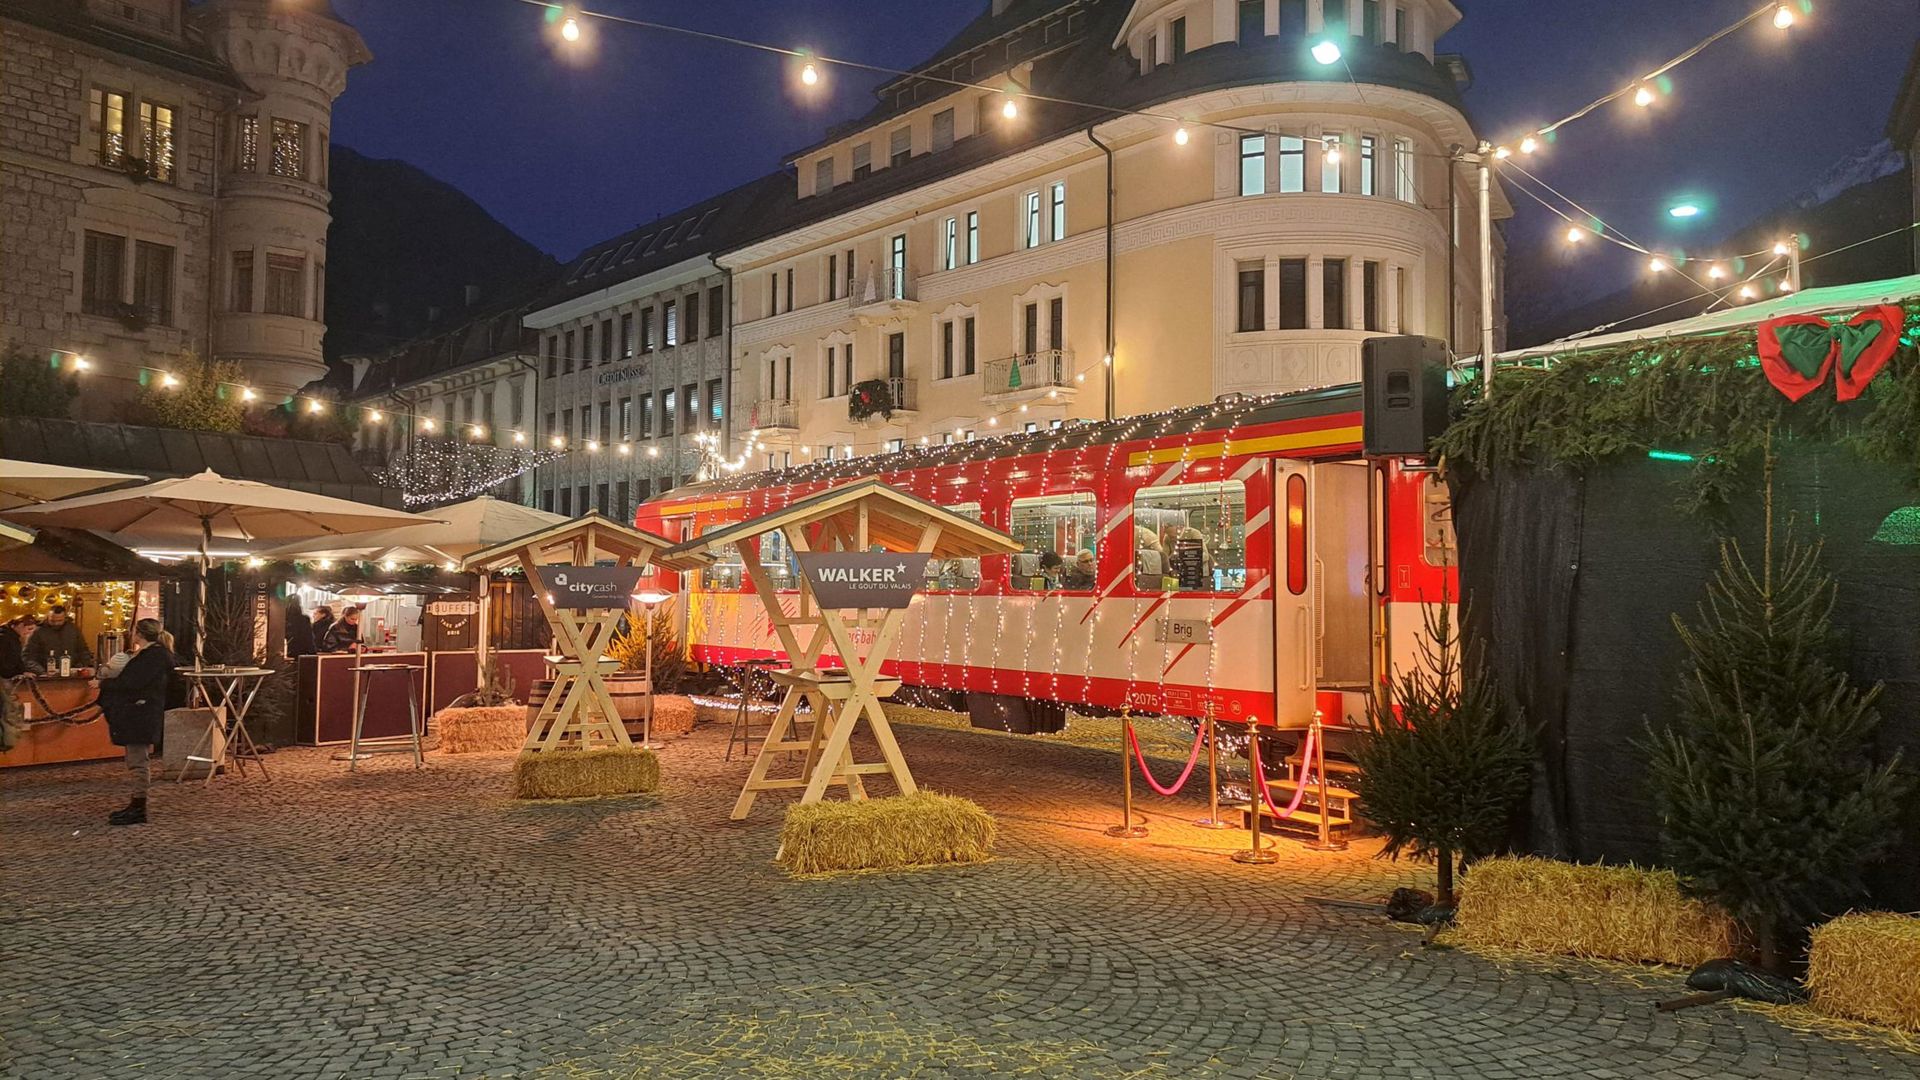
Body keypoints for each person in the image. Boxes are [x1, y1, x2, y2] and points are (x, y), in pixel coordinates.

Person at [96, 618, 176, 826]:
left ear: (139, 633)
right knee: (136, 759)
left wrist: (103, 684)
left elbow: (132, 683)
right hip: (141, 711)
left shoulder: (151, 657)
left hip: (140, 713)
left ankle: (139, 806)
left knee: (138, 761)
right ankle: (136, 804)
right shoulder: (154, 655)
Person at [24, 605, 93, 676]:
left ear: (65, 618)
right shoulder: (38, 632)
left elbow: (83, 651)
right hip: (45, 675)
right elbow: (28, 657)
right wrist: (41, 672)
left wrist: (79, 668)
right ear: (48, 617)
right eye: (52, 621)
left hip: (71, 674)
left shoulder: (73, 630)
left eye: (59, 621)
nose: (56, 623)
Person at [0, 614, 33, 679]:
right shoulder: (3, 638)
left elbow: (17, 658)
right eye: (29, 629)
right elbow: (3, 663)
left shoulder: (14, 638)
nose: (29, 633)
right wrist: (18, 672)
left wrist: (23, 671)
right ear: (20, 625)